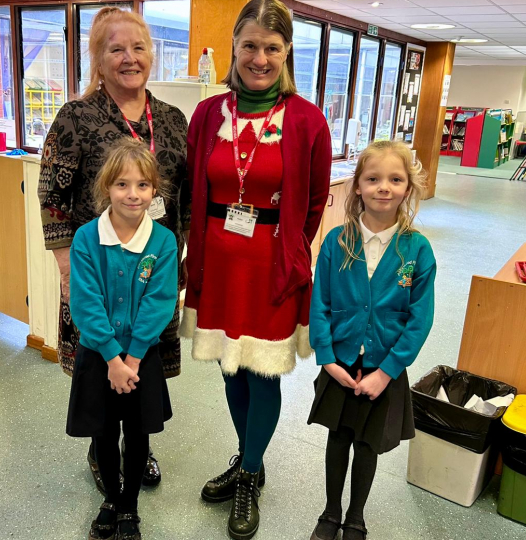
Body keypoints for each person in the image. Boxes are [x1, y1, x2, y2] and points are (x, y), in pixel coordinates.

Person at [179, 0, 331, 538]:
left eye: (271, 48)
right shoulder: (207, 115)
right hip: (216, 262)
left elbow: (314, 201)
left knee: (263, 370)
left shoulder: (308, 119)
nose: (259, 58)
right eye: (250, 46)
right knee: (230, 365)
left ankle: (248, 473)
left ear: (286, 52)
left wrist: (289, 250)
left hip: (270, 264)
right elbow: (191, 188)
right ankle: (253, 457)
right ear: (235, 48)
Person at [38, 6, 189, 491]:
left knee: (142, 363)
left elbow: (181, 198)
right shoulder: (77, 117)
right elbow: (52, 194)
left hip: (153, 266)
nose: (130, 58)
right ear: (98, 61)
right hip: (95, 271)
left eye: (139, 47)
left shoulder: (171, 120)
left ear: (152, 55)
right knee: (103, 363)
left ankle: (138, 446)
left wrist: (180, 264)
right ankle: (102, 449)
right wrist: (65, 267)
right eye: (116, 49)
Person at [307, 140, 436, 540]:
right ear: (357, 186)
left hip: (384, 366)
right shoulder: (336, 242)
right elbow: (320, 302)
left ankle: (356, 516)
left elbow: (420, 318)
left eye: (395, 179)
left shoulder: (417, 249)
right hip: (340, 360)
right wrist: (326, 357)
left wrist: (388, 372)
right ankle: (330, 512)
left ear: (408, 187)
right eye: (373, 178)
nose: (384, 187)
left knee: (366, 444)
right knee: (338, 436)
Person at [67, 138, 177, 540]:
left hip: (140, 357)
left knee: (138, 433)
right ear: (106, 188)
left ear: (154, 190)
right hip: (99, 356)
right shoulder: (86, 238)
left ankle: (130, 505)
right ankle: (110, 499)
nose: (133, 194)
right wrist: (113, 358)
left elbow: (160, 302)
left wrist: (131, 359)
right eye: (122, 185)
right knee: (103, 432)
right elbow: (85, 301)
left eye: (143, 185)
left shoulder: (163, 241)